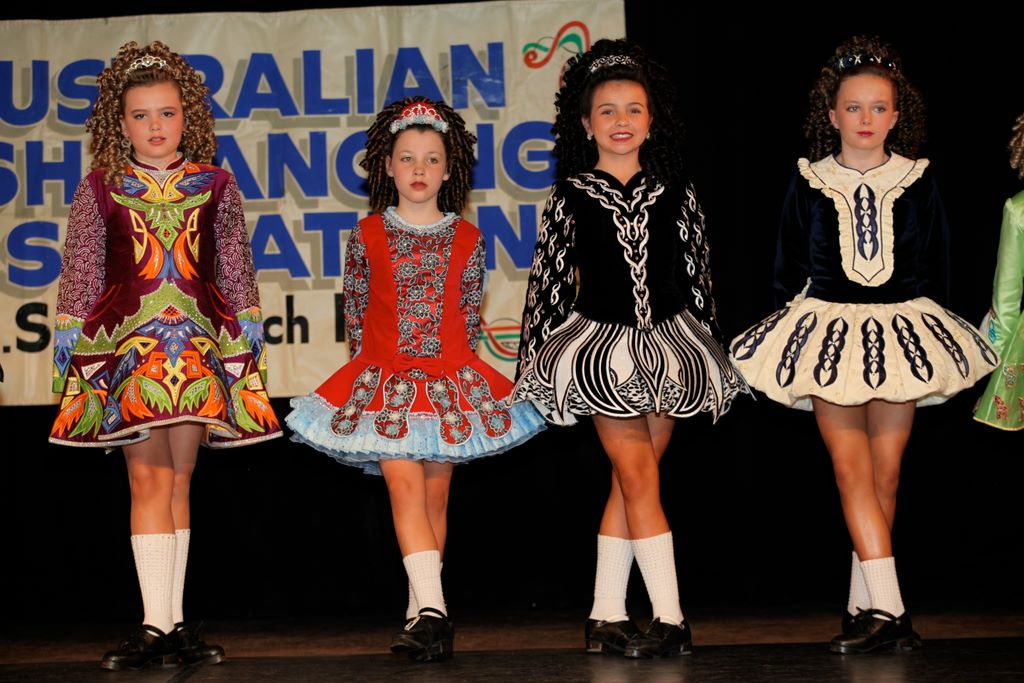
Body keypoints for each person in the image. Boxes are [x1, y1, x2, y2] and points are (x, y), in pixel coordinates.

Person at [729, 36, 999, 653]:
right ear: (831, 115)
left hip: (902, 334)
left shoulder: (918, 179)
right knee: (850, 469)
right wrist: (793, 335)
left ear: (897, 115)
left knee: (887, 476)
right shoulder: (810, 180)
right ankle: (893, 612)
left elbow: (937, 265)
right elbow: (786, 267)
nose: (866, 118)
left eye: (879, 107)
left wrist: (935, 333)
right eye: (854, 107)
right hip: (830, 337)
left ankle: (864, 606)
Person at [286, 97, 544, 662]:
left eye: (431, 159)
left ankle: (419, 615)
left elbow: (468, 314)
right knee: (403, 488)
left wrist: (454, 373)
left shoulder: (469, 238)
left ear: (449, 170)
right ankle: (435, 612)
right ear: (387, 166)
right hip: (386, 384)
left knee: (434, 497)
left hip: (449, 381)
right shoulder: (367, 235)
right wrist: (370, 377)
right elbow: (356, 313)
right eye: (407, 158)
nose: (419, 169)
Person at [49, 41, 280, 670]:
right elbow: (83, 262)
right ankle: (155, 624)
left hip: (198, 343)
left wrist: (248, 317)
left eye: (167, 113)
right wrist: (70, 321)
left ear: (187, 117)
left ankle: (170, 624)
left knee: (179, 478)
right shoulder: (101, 186)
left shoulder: (216, 184)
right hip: (128, 345)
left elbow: (233, 260)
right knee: (147, 477)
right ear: (120, 124)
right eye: (141, 115)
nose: (156, 126)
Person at [513, 38, 748, 659]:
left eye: (634, 109)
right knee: (640, 476)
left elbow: (697, 276)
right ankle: (672, 617)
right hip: (602, 353)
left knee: (630, 483)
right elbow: (549, 283)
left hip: (671, 350)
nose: (622, 121)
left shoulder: (677, 190)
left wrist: (710, 353)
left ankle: (605, 614)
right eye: (608, 111)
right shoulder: (568, 195)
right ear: (585, 124)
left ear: (651, 119)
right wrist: (534, 363)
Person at [974, 113, 1024, 430]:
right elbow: (1005, 302)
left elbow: (1005, 303)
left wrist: (989, 361)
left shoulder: (1019, 209)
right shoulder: (1018, 210)